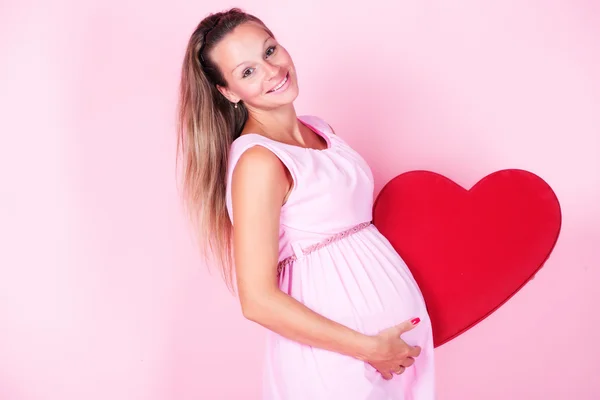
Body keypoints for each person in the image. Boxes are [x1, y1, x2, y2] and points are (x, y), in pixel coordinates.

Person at [176, 7, 435, 399]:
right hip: (340, 362)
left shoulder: (320, 130)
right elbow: (258, 300)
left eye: (269, 51)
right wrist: (370, 348)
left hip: (386, 356)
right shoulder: (259, 162)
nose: (271, 71)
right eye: (247, 72)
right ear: (228, 92)